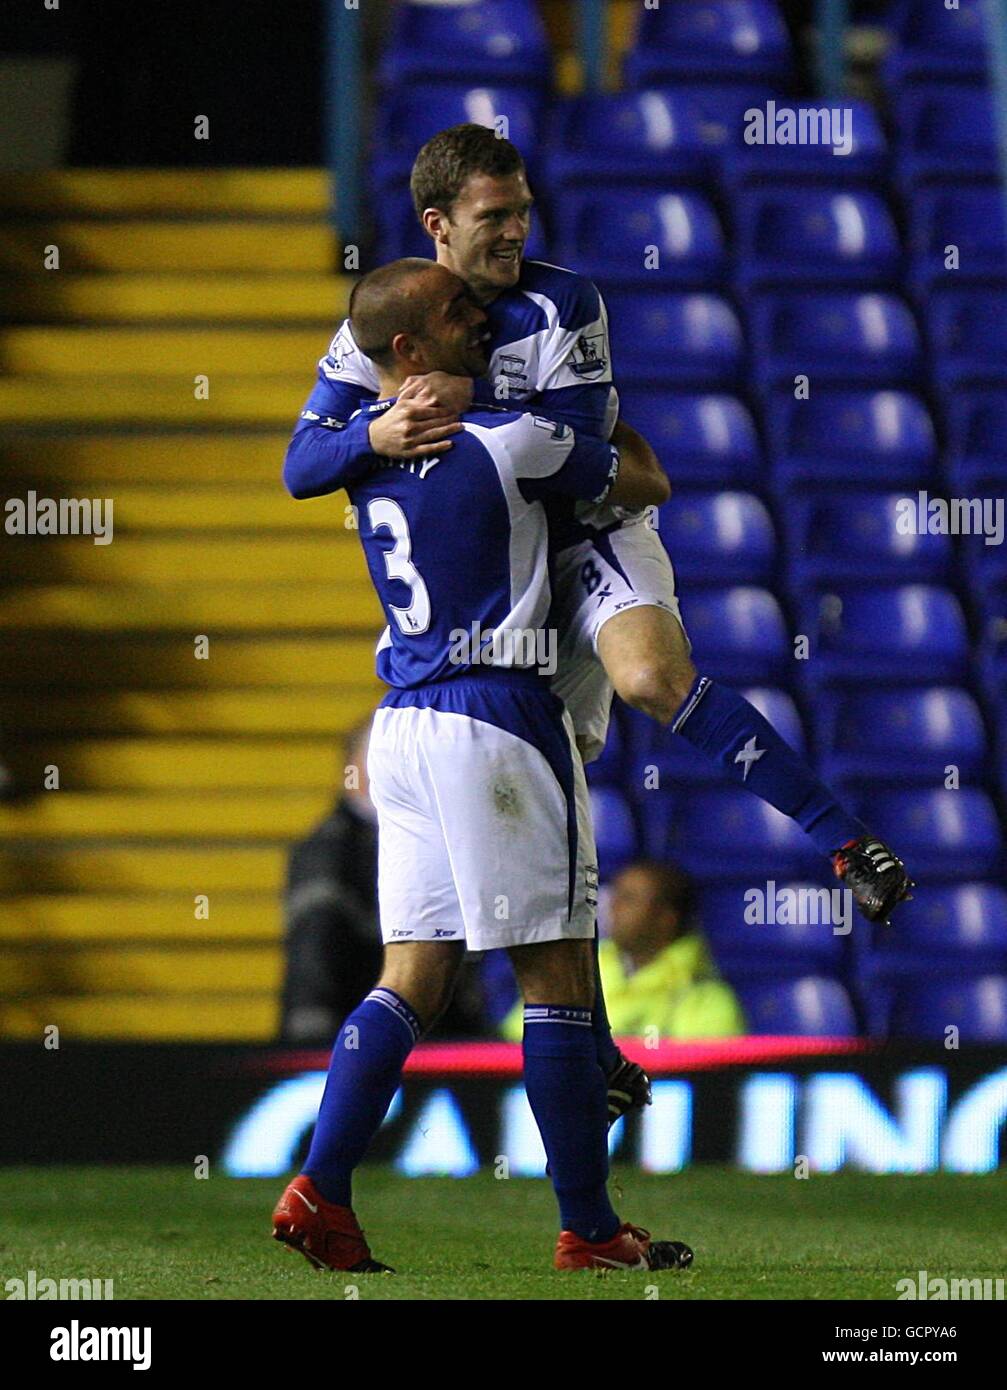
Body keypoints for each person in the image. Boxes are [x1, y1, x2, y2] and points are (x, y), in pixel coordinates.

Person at [282, 124, 913, 1033]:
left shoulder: (564, 303)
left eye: (522, 212)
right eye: (493, 216)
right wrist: (371, 436)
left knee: (650, 677)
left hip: (587, 534)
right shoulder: (388, 319)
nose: (514, 233)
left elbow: (577, 453)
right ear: (438, 224)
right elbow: (303, 466)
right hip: (503, 574)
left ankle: (845, 842)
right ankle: (591, 1044)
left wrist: (463, 406)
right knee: (547, 791)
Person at [272, 258, 693, 1274]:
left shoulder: (358, 453)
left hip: (401, 723)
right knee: (553, 973)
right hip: (496, 708)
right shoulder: (502, 439)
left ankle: (319, 1189)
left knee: (409, 975)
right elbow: (639, 479)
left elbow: (298, 465)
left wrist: (372, 426)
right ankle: (589, 1229)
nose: (481, 316)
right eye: (457, 313)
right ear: (410, 350)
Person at [278, 719, 487, 1044]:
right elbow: (315, 951)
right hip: (358, 1042)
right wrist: (314, 1046)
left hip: (423, 1045)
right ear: (354, 768)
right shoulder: (332, 851)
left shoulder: (429, 840)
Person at [500, 861, 744, 1043]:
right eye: (616, 895)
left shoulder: (705, 998)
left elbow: (709, 1083)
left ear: (665, 918)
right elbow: (516, 1042)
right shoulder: (575, 973)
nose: (614, 906)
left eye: (629, 899)